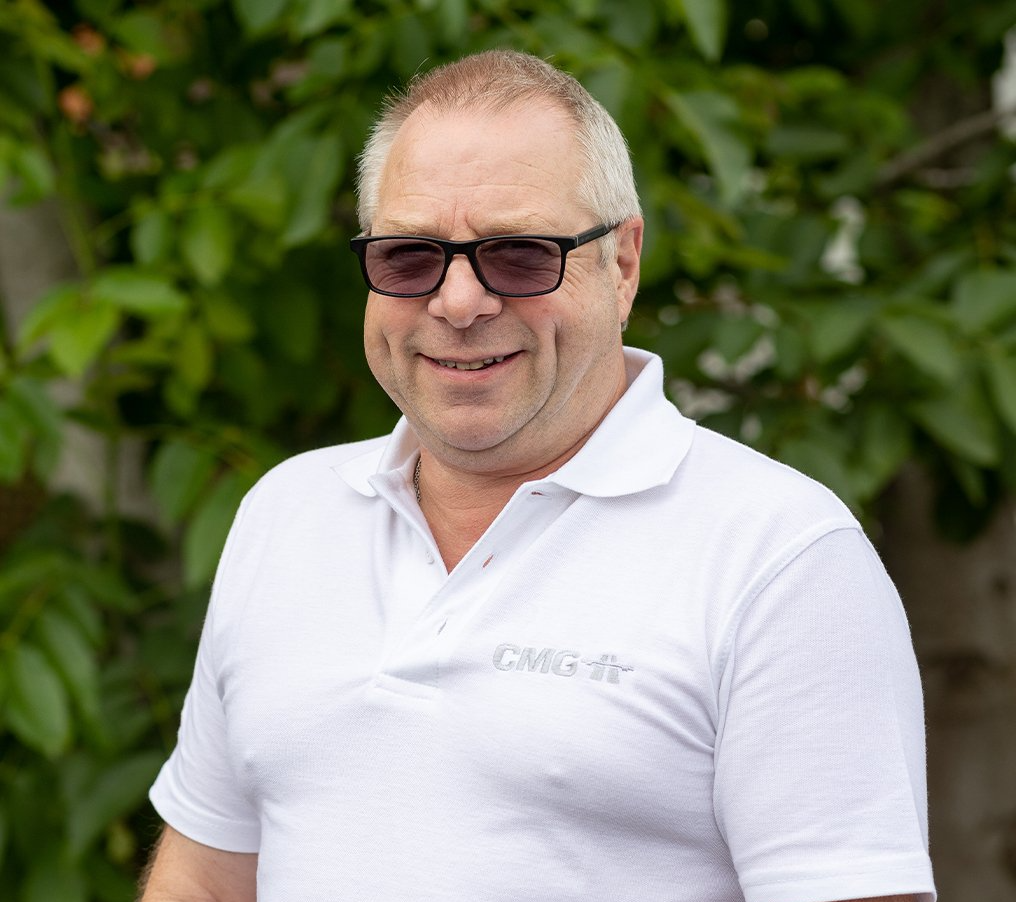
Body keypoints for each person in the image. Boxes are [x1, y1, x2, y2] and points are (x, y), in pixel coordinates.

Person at [141, 50, 936, 902]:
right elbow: (207, 879)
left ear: (622, 264)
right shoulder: (287, 512)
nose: (457, 302)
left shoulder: (780, 558)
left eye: (518, 255)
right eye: (409, 257)